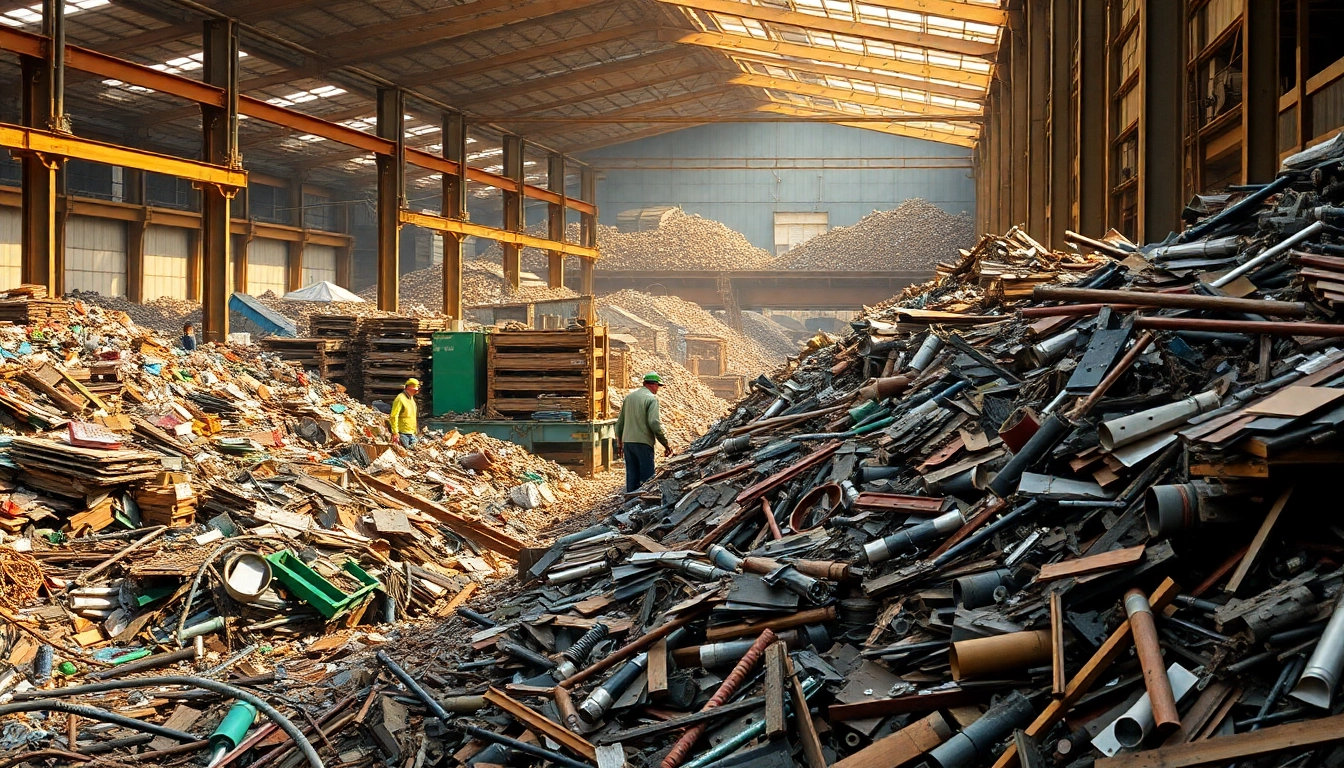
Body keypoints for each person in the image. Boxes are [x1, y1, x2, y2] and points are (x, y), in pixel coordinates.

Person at [616, 372, 671, 493]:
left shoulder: (629, 398)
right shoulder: (651, 399)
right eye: (658, 386)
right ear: (654, 385)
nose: (658, 389)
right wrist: (665, 444)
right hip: (643, 443)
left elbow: (619, 424)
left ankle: (631, 500)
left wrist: (619, 444)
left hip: (628, 443)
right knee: (647, 479)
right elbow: (654, 423)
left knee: (632, 476)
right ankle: (645, 500)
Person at [390, 378, 420, 448]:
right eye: (415, 388)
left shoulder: (411, 399)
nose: (417, 390)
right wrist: (395, 432)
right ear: (408, 387)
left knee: (415, 450)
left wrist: (415, 430)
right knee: (406, 450)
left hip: (411, 433)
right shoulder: (400, 398)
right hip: (402, 433)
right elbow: (394, 416)